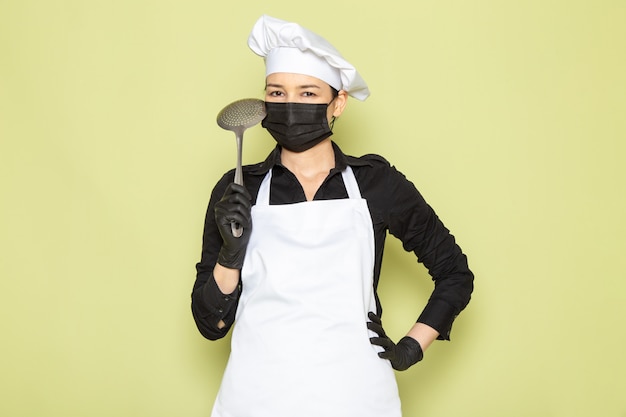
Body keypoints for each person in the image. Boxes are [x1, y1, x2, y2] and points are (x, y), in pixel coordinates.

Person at [192, 15, 474, 417]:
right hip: (254, 400)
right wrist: (230, 255)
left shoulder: (377, 183)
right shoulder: (238, 189)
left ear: (337, 102)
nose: (290, 105)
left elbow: (455, 273)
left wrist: (412, 346)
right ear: (264, 102)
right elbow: (209, 325)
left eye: (308, 94)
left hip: (357, 398)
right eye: (277, 92)